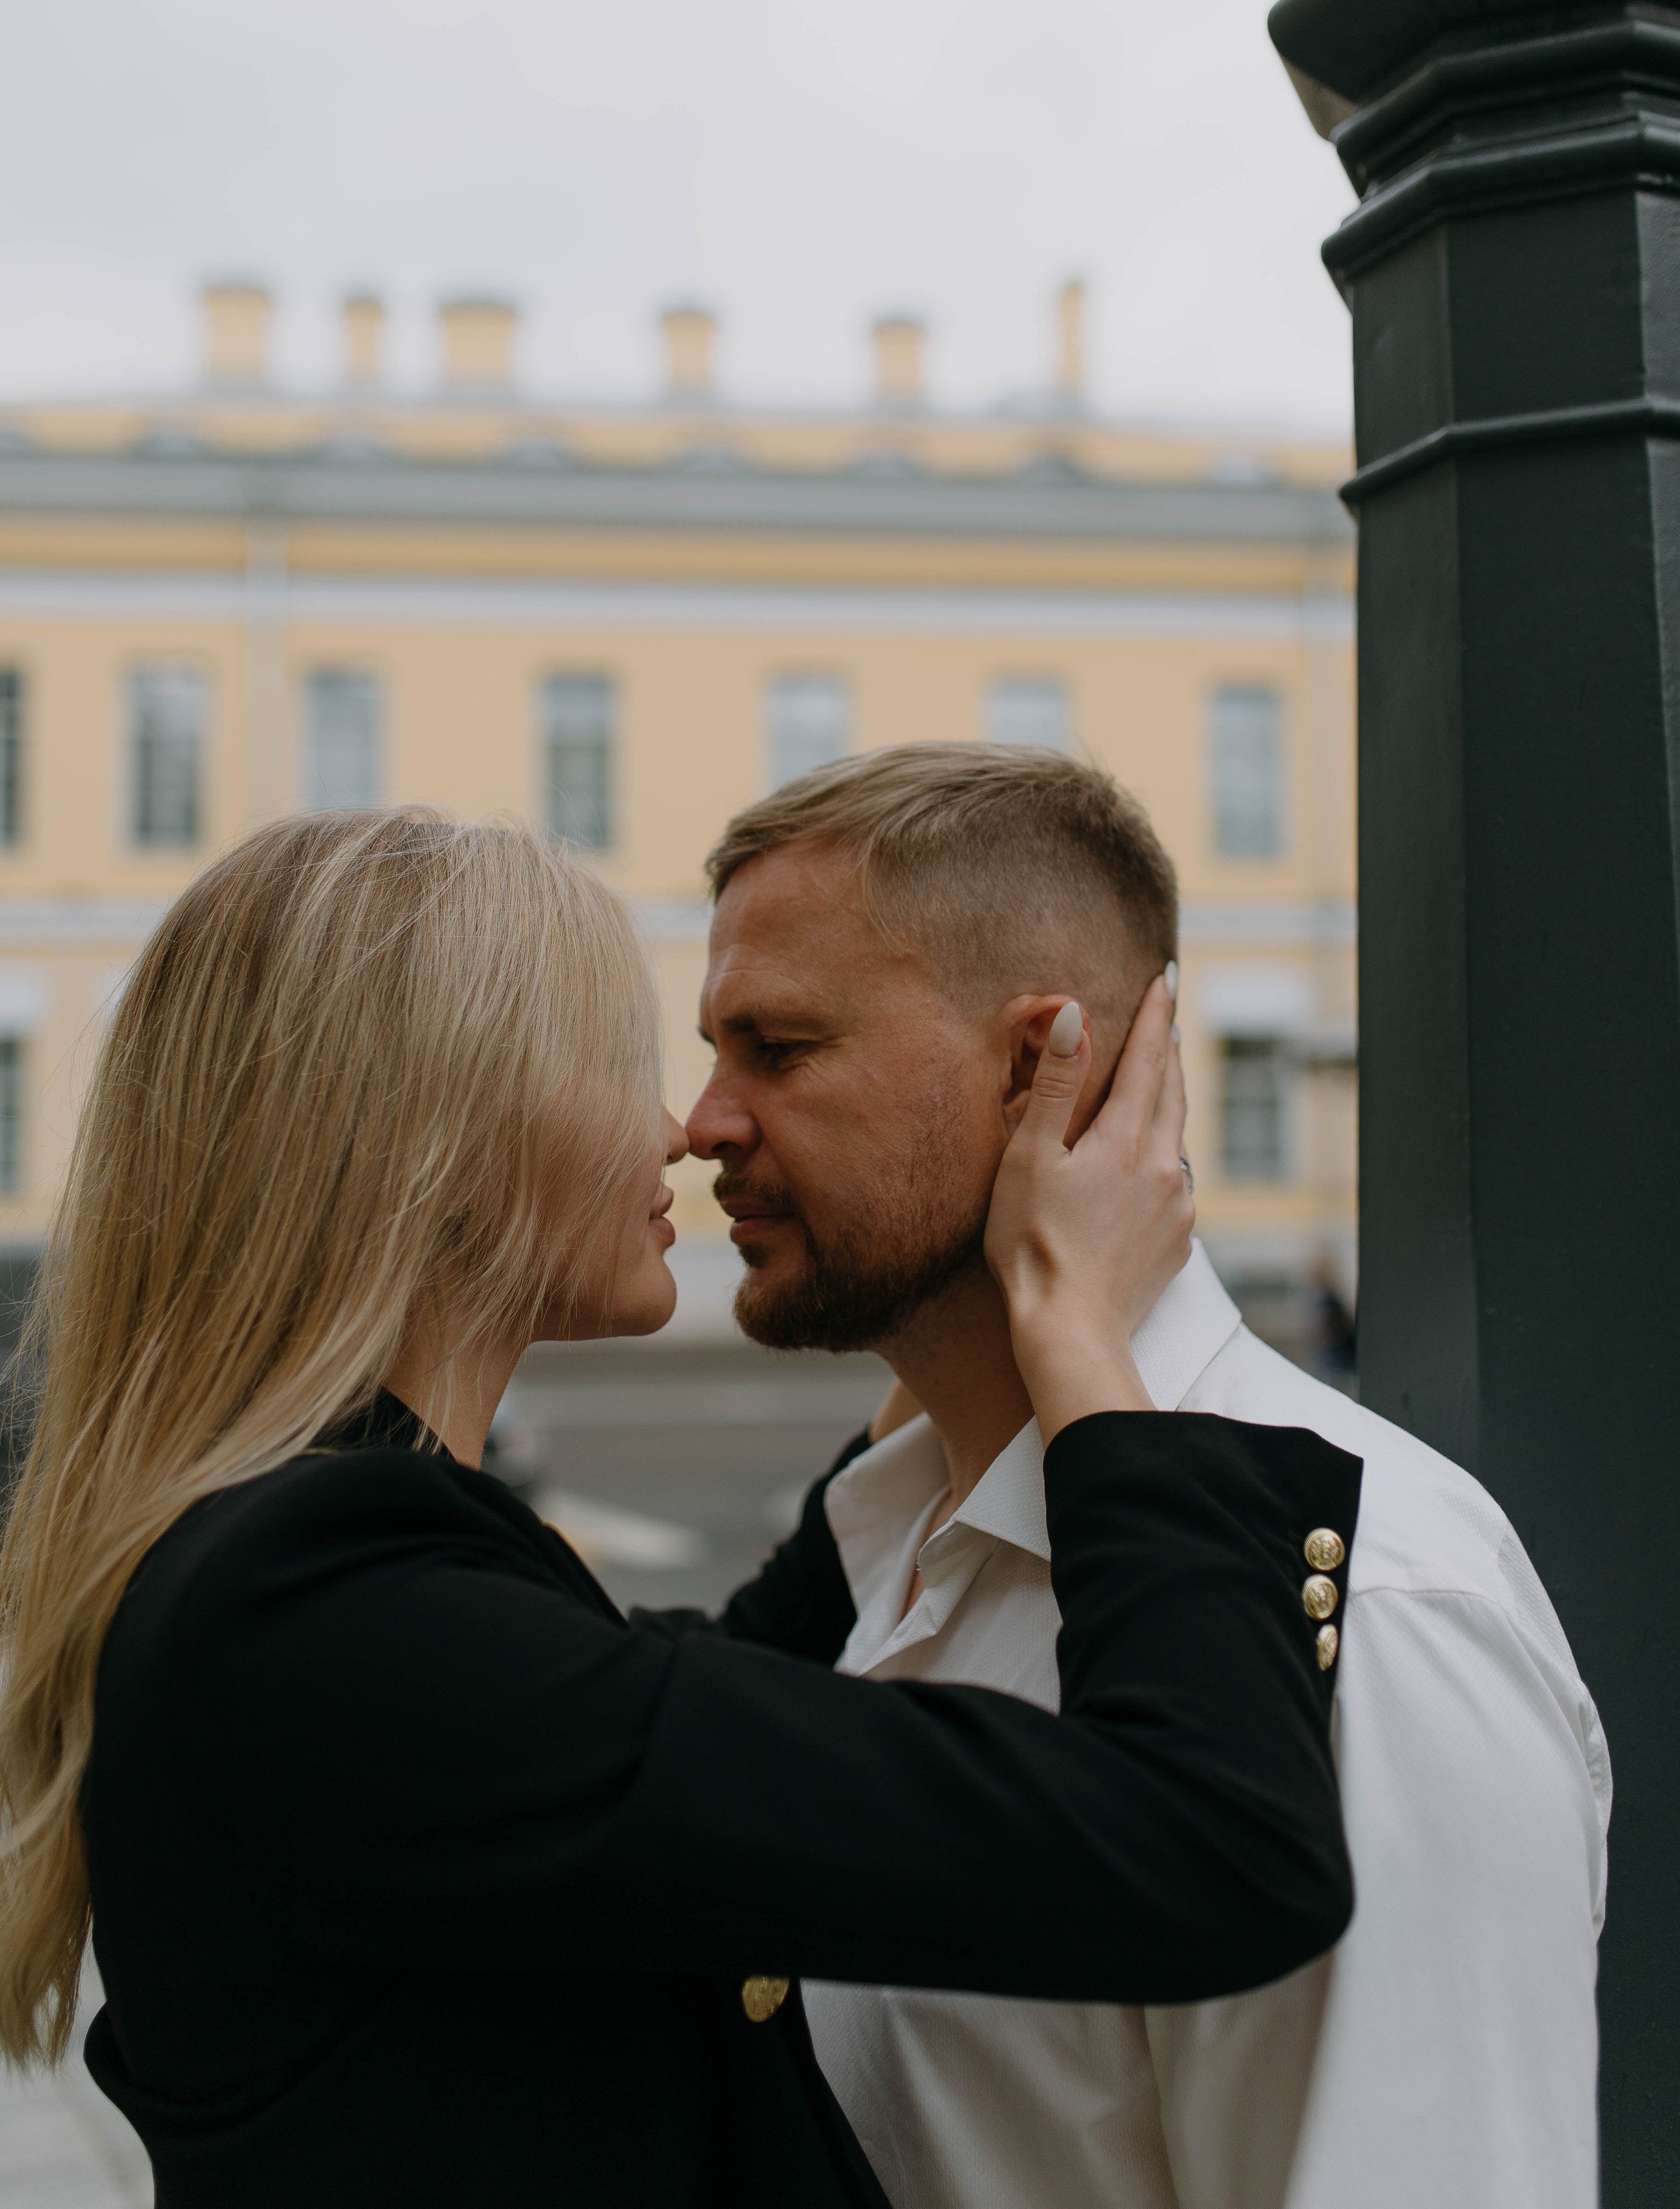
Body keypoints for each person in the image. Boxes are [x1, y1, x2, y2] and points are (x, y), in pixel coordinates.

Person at [0, 807, 1359, 2209]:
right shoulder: (325, 1616)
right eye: (619, 1065)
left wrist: (952, 1323)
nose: (680, 1129)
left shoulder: (290, 1566)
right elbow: (1211, 1848)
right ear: (436, 1134)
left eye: (768, 1052)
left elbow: (710, 1693)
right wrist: (1078, 1336)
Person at [687, 744, 1611, 2209]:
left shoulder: (1369, 1607)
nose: (704, 1124)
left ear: (1035, 1068)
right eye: (714, 1052)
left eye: (779, 1048)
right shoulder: (896, 1546)